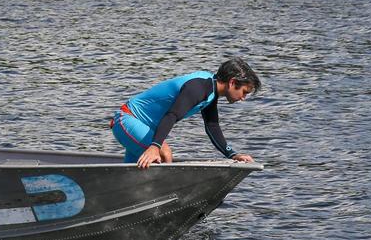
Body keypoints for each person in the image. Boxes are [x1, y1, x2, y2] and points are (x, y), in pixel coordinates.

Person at [110, 57, 262, 168]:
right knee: (164, 154)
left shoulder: (210, 90)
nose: (243, 98)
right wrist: (155, 146)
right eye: (244, 92)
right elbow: (172, 115)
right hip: (127, 120)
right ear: (232, 82)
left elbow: (212, 125)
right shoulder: (198, 88)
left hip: (143, 128)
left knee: (131, 175)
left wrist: (232, 154)